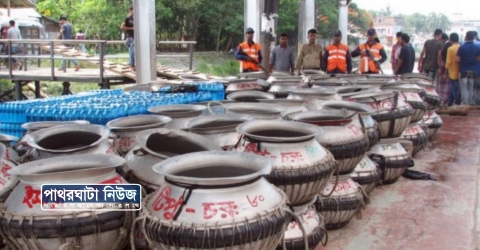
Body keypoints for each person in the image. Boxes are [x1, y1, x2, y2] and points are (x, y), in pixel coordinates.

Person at [456, 31, 480, 107]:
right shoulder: (477, 47)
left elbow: (457, 60)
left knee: (464, 87)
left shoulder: (461, 47)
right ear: (473, 37)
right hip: (473, 70)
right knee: (471, 86)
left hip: (463, 69)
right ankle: (470, 102)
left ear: (466, 37)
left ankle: (465, 103)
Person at [444, 33, 461, 109]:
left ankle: (457, 102)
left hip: (452, 71)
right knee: (453, 87)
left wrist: (445, 72)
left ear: (450, 40)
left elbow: (448, 62)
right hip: (460, 71)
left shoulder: (450, 49)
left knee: (454, 88)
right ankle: (449, 102)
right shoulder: (461, 47)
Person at [438, 33, 453, 103]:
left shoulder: (445, 45)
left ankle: (442, 99)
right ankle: (445, 99)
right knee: (447, 85)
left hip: (444, 65)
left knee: (442, 85)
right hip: (449, 66)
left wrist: (440, 69)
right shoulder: (450, 45)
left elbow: (440, 56)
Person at [121, 6, 135, 72]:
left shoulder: (136, 18)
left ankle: (134, 65)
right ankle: (131, 66)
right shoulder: (127, 18)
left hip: (136, 37)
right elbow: (122, 26)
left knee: (136, 52)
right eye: (133, 10)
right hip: (130, 36)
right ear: (130, 11)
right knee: (132, 52)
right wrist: (131, 28)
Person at [472, 31, 480, 105]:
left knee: (472, 87)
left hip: (470, 70)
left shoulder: (463, 44)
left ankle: (474, 102)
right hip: (478, 70)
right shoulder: (478, 44)